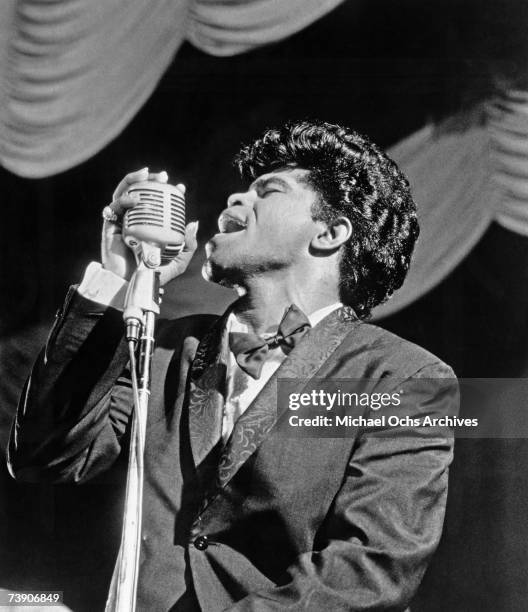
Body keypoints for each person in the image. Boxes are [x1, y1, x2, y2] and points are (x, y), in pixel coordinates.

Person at [8, 121, 458, 611]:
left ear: (330, 233)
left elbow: (369, 571)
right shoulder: (162, 347)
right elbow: (46, 457)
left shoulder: (412, 377)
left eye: (267, 191)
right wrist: (116, 279)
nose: (234, 201)